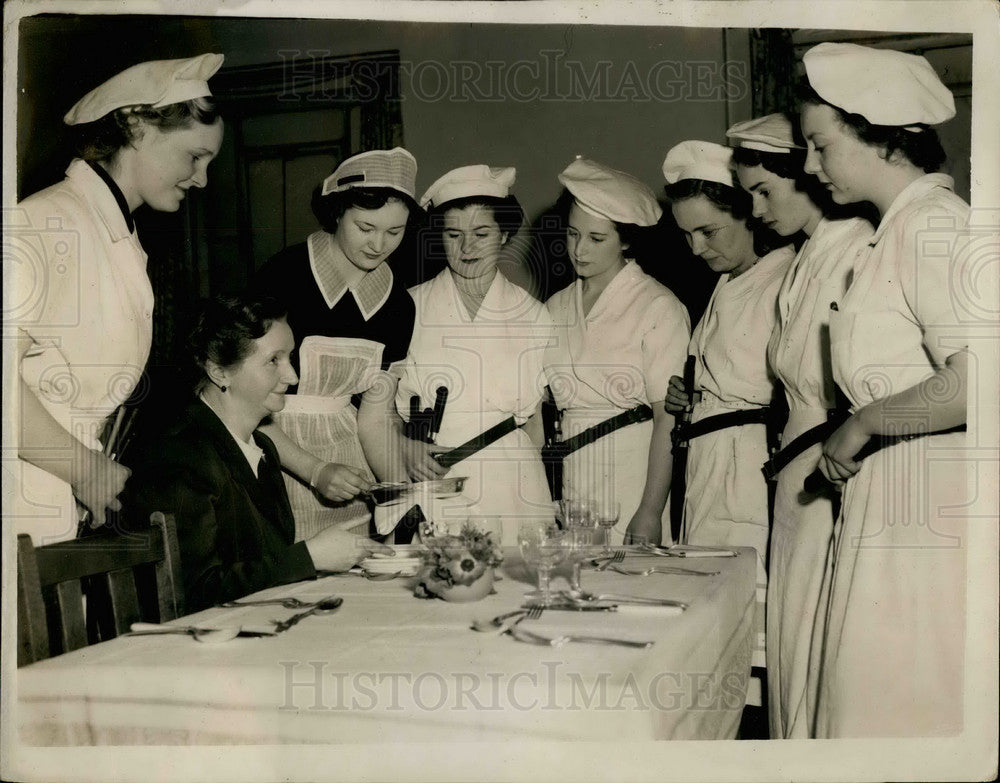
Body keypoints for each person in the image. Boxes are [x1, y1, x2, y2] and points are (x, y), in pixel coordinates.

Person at [799, 42, 969, 737]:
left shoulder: (934, 227)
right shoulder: (892, 233)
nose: (811, 166)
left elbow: (980, 384)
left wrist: (864, 423)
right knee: (869, 701)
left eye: (820, 145)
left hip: (928, 504)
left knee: (903, 704)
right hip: (891, 497)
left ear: (879, 137)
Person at [11, 53, 225, 545]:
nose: (202, 179)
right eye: (195, 156)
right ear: (137, 128)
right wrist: (84, 468)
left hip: (63, 496)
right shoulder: (48, 221)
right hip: (20, 499)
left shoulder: (118, 237)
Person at [727, 113, 874, 739]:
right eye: (749, 195)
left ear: (806, 177)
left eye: (765, 191)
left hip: (829, 463)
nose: (756, 209)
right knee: (790, 622)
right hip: (793, 465)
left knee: (819, 628)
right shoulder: (806, 256)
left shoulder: (858, 246)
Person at [125, 295, 392, 611]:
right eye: (273, 361)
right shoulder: (180, 455)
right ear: (220, 372)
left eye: (289, 358)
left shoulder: (262, 447)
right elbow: (192, 592)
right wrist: (309, 557)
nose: (292, 377)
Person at [661, 140, 796, 682]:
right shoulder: (725, 282)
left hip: (747, 473)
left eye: (708, 232)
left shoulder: (783, 278)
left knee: (749, 630)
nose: (695, 249)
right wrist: (689, 395)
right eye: (686, 235)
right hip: (708, 467)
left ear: (750, 214)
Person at [253, 148, 430, 540]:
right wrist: (315, 470)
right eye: (365, 227)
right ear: (337, 213)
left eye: (394, 232)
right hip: (273, 457)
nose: (379, 244)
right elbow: (246, 402)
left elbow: (375, 418)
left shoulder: (398, 306)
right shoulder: (283, 276)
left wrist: (403, 501)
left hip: (350, 465)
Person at [396, 165, 554, 542]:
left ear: (504, 235)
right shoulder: (407, 308)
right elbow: (381, 411)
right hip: (436, 476)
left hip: (514, 480)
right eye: (454, 234)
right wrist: (403, 450)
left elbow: (534, 425)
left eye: (481, 234)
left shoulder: (532, 313)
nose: (467, 248)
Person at [545, 158, 690, 546]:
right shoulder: (555, 307)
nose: (579, 250)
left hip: (633, 472)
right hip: (573, 474)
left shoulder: (658, 306)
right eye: (573, 234)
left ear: (625, 240)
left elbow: (668, 420)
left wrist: (650, 511)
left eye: (596, 239)